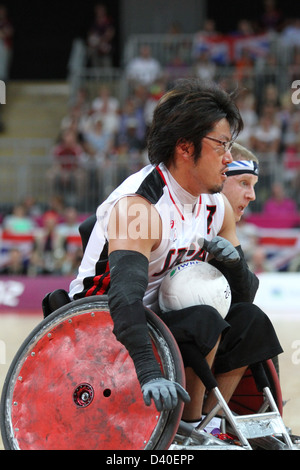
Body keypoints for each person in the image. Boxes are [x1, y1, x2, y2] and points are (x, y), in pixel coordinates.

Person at [44, 80, 282, 436]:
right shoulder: (139, 206)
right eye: (221, 146)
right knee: (204, 320)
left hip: (165, 318)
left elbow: (243, 296)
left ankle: (213, 424)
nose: (229, 158)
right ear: (185, 148)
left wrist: (234, 264)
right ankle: (186, 428)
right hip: (101, 323)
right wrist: (149, 371)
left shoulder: (215, 204)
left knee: (251, 320)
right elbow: (123, 299)